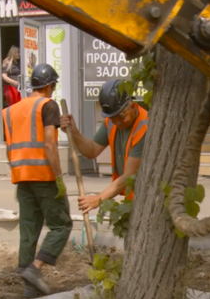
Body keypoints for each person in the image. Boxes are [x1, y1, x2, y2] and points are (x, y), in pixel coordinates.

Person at [2, 63, 71, 298]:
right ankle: (35, 269)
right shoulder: (47, 104)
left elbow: (15, 142)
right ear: (50, 85)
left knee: (29, 228)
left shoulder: (12, 110)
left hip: (21, 176)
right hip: (43, 175)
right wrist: (59, 176)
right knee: (62, 225)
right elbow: (49, 143)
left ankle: (28, 283)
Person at [59, 79, 146, 212]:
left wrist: (98, 199)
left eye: (121, 117)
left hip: (146, 199)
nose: (117, 123)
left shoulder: (144, 127)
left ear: (132, 107)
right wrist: (74, 131)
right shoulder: (111, 122)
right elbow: (91, 150)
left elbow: (128, 176)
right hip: (131, 198)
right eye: (113, 118)